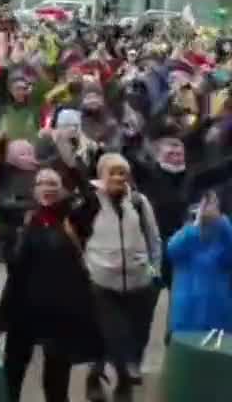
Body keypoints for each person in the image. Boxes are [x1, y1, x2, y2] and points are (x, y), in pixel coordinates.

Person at [0, 163, 103, 402]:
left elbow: (92, 201)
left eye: (53, 183)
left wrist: (71, 163)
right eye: (41, 183)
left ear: (63, 189)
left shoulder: (72, 220)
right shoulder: (21, 218)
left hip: (60, 311)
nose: (47, 188)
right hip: (23, 308)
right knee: (12, 373)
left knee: (56, 380)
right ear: (33, 189)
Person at [83, 153, 162, 402]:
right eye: (112, 172)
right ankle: (114, 383)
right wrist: (85, 271)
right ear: (101, 175)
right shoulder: (89, 202)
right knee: (114, 335)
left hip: (140, 284)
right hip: (102, 284)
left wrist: (153, 272)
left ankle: (100, 376)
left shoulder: (139, 202)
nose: (118, 177)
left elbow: (154, 241)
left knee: (133, 337)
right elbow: (77, 238)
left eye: (122, 172)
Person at [166, 191, 232, 335]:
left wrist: (221, 221)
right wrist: (196, 225)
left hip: (218, 315)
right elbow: (172, 250)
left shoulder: (223, 238)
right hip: (186, 315)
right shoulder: (187, 236)